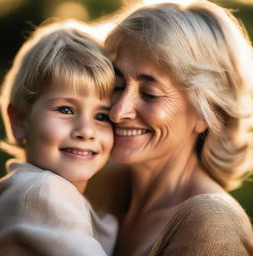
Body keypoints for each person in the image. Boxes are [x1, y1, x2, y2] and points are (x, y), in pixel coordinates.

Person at [87, 0, 253, 255]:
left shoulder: (212, 222)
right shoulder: (99, 184)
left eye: (150, 93)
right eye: (118, 86)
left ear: (209, 113)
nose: (118, 112)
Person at [0, 20, 117, 256]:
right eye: (65, 109)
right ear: (19, 120)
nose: (86, 131)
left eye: (101, 116)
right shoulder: (43, 192)